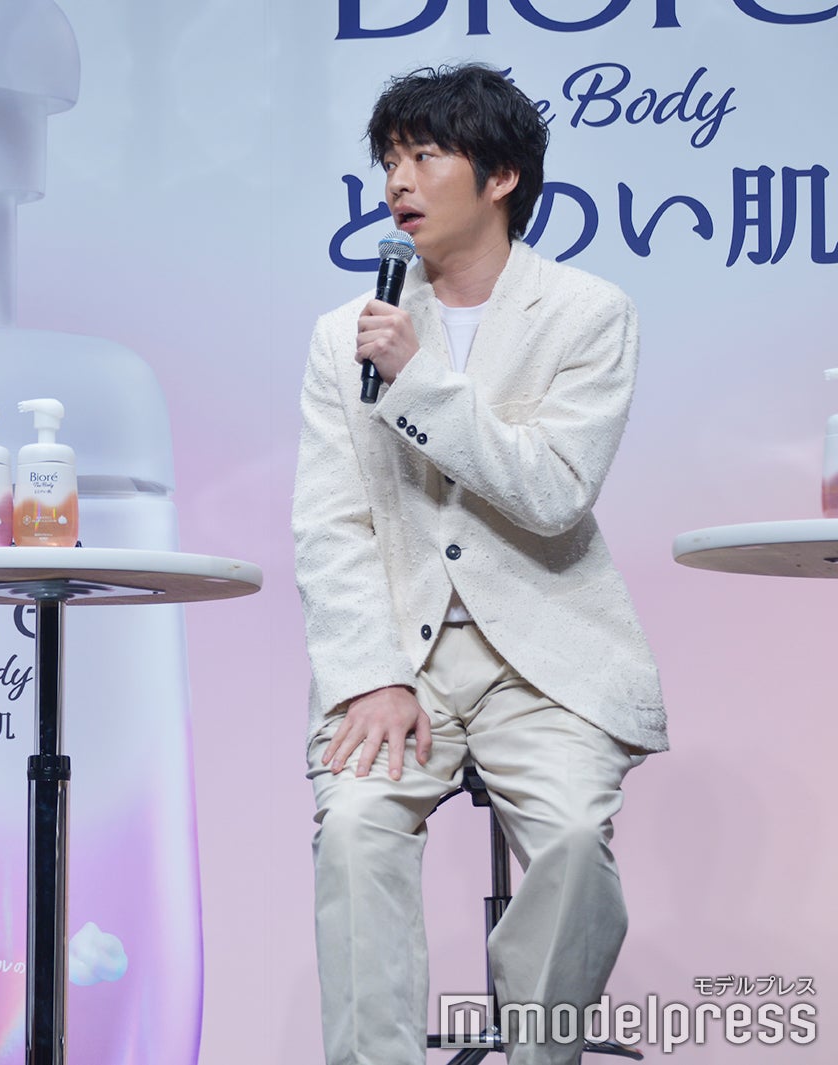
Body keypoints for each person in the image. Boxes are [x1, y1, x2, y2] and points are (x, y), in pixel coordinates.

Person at [292, 65, 667, 1064]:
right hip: (400, 661)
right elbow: (331, 524)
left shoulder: (586, 313)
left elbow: (552, 492)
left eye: (423, 156)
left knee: (574, 842)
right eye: (388, 160)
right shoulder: (341, 336)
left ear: (500, 177)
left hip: (543, 656)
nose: (396, 183)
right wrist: (370, 675)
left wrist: (418, 378)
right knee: (355, 830)